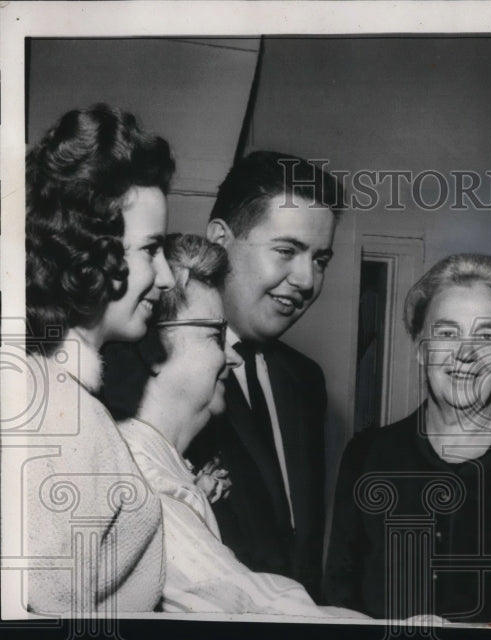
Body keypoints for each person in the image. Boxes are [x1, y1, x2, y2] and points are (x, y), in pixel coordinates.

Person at [102, 234, 365, 618]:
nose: (232, 356)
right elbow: (253, 603)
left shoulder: (164, 464)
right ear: (153, 349)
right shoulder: (144, 483)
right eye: (214, 334)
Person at [323, 253, 491, 622]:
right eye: (448, 333)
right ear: (420, 348)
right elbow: (339, 603)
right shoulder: (367, 456)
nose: (466, 353)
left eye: (486, 335)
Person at [18, 104, 176, 613]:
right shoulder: (66, 424)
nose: (168, 277)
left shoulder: (47, 396)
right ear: (93, 251)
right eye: (151, 250)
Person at [185, 150, 342, 599]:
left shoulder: (305, 379)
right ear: (219, 240)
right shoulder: (154, 368)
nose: (307, 280)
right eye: (287, 251)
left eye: (320, 260)